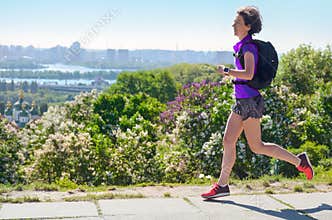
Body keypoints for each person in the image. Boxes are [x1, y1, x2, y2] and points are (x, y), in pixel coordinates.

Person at [201, 6, 313, 199]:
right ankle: (223, 185)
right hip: (241, 101)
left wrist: (227, 71)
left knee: (257, 146)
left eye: (237, 22)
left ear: (248, 26)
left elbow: (249, 73)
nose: (233, 25)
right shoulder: (242, 46)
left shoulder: (249, 47)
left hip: (250, 102)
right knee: (228, 140)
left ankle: (299, 161)